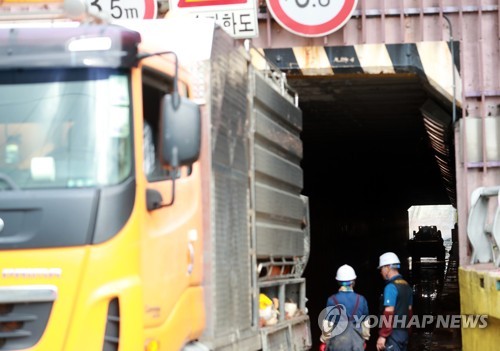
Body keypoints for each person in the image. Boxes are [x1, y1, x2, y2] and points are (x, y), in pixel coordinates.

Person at [320, 264, 369, 351]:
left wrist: (324, 340)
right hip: (356, 345)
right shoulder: (361, 299)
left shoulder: (332, 300)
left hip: (337, 344)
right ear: (353, 281)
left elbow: (328, 325)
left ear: (338, 281)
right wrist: (364, 338)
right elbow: (366, 324)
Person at [376, 252, 413, 351]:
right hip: (404, 333)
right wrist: (408, 332)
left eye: (381, 269)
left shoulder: (390, 287)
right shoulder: (407, 286)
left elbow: (389, 312)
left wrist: (383, 335)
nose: (381, 272)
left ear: (387, 267)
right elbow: (409, 312)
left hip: (393, 334)